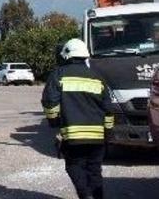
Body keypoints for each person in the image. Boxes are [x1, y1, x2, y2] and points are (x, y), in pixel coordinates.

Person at [42, 38, 115, 199]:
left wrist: (54, 121)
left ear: (67, 55)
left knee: (74, 166)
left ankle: (86, 195)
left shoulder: (59, 74)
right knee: (94, 170)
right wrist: (108, 132)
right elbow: (109, 109)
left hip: (73, 135)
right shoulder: (97, 77)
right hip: (97, 137)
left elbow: (50, 102)